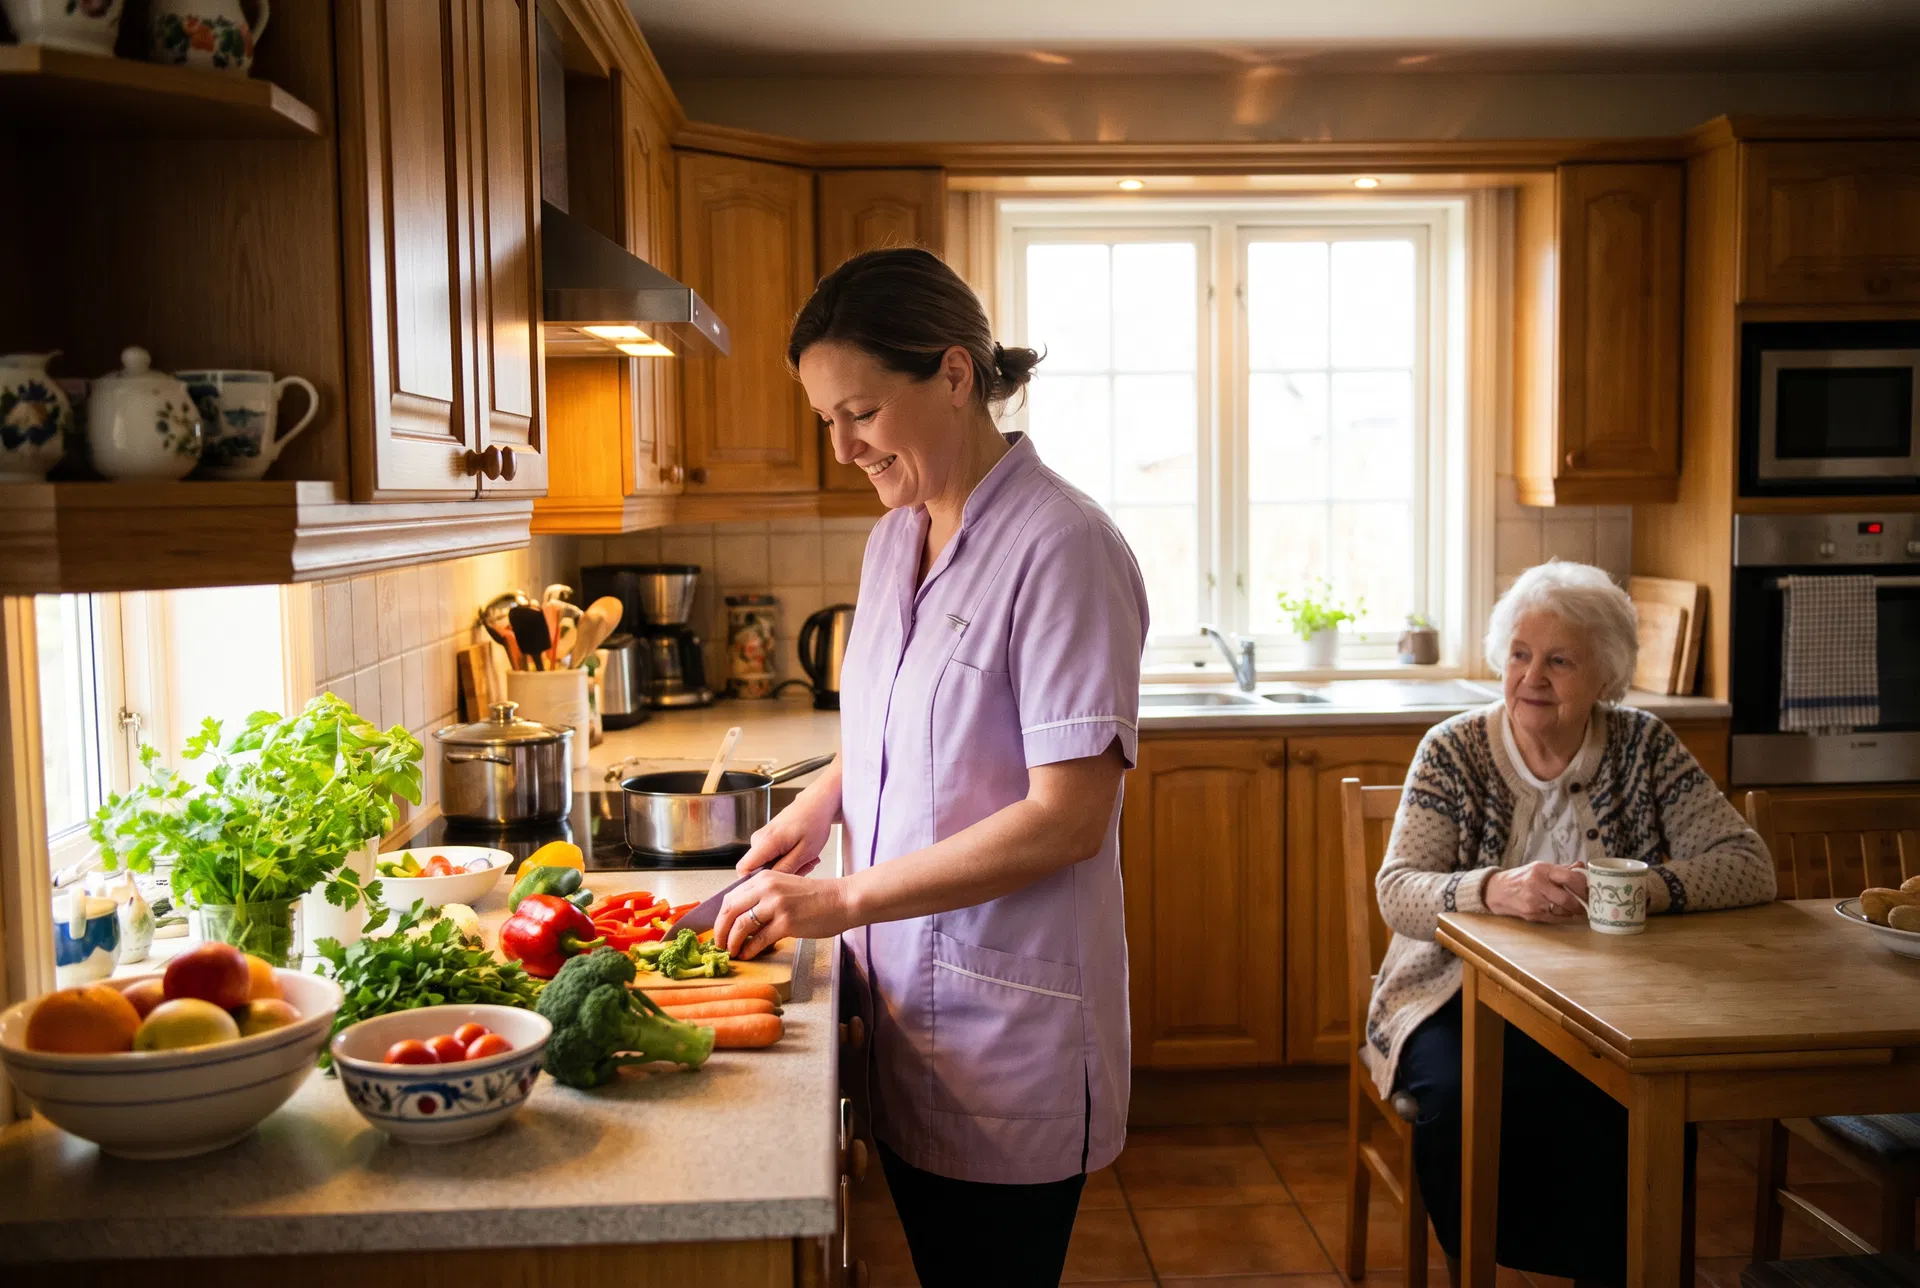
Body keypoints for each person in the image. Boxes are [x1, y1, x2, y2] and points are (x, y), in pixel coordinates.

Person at [710, 247, 1150, 1288]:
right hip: (905, 1001)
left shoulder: (1064, 547)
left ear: (956, 374)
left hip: (1008, 1027)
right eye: (825, 418)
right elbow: (902, 719)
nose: (842, 445)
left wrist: (841, 896)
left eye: (859, 410)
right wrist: (822, 804)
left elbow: (1067, 818)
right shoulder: (895, 536)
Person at [1366, 561, 1775, 1285]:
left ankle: (1624, 1267)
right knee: (1463, 1100)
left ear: (1605, 678)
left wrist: (1641, 889)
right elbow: (1398, 891)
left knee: (1638, 1094)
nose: (1532, 676)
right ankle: (1486, 1259)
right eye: (1521, 654)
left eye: (1559, 660)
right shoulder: (1452, 749)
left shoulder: (1644, 745)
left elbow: (1747, 864)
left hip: (1611, 1001)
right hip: (1454, 995)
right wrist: (1492, 889)